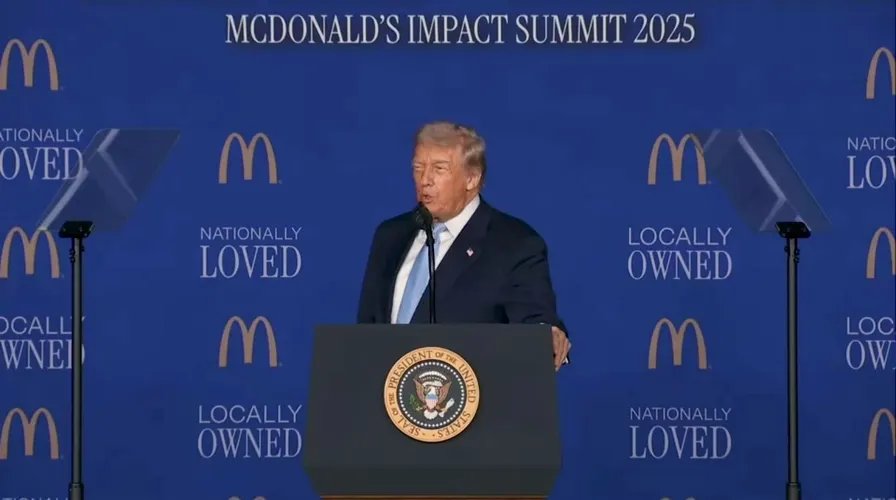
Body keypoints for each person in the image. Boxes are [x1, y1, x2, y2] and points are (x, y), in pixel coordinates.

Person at [356, 121, 571, 370]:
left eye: (439, 168)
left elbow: (536, 322)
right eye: (418, 168)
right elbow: (366, 330)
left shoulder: (515, 244)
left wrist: (546, 336)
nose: (425, 180)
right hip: (386, 390)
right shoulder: (390, 235)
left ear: (471, 178)